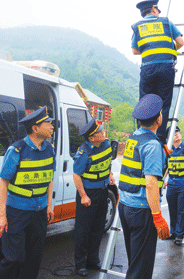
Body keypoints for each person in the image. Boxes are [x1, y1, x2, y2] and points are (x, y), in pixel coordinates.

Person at [0, 106, 55, 279]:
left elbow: (49, 179)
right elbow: (4, 182)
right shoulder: (16, 150)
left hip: (40, 212)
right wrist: (1, 216)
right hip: (17, 212)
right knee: (14, 259)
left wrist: (49, 205)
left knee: (34, 258)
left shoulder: (49, 149)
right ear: (35, 129)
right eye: (47, 123)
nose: (52, 126)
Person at [118, 93, 170, 279]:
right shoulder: (152, 145)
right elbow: (150, 183)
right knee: (141, 269)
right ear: (158, 119)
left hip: (125, 206)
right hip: (141, 210)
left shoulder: (134, 138)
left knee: (135, 261)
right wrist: (157, 216)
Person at [132, 0, 184, 142]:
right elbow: (180, 42)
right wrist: (169, 50)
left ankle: (142, 135)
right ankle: (159, 138)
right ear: (154, 10)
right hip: (166, 68)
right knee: (163, 103)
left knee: (145, 100)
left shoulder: (137, 27)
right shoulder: (166, 22)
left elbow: (134, 50)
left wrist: (149, 49)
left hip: (148, 68)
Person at [72, 118, 116, 277]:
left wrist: (110, 174)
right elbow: (76, 175)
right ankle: (80, 264)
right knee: (83, 231)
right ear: (91, 138)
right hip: (88, 195)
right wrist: (83, 196)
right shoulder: (84, 151)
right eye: (100, 132)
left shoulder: (106, 144)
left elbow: (107, 162)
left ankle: (93, 260)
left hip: (103, 192)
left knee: (98, 229)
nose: (103, 133)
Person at [165, 126, 184, 245]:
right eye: (174, 133)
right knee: (172, 209)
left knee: (181, 210)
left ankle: (179, 235)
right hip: (171, 183)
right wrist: (165, 180)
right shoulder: (168, 149)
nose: (176, 134)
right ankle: (173, 231)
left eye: (178, 132)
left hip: (181, 184)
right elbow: (166, 167)